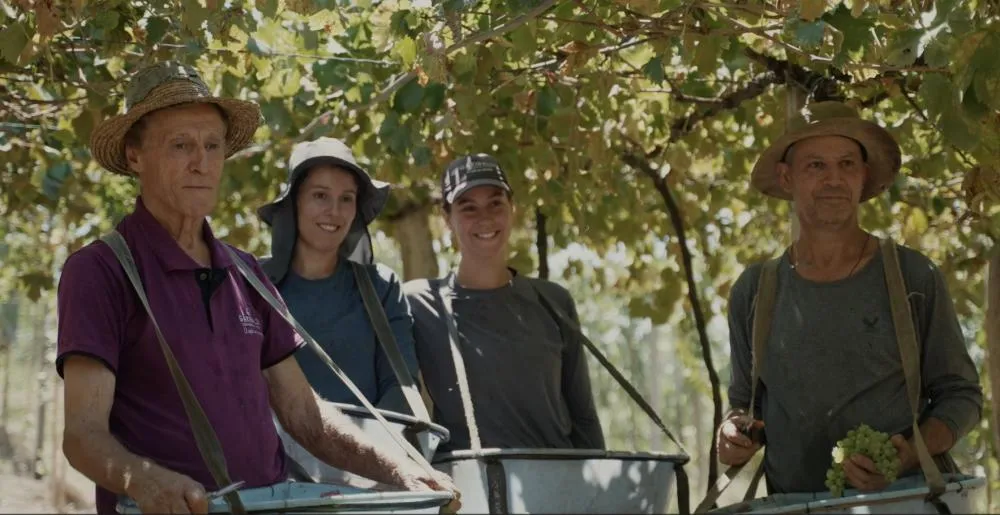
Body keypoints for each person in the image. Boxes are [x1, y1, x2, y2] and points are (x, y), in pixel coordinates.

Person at [56, 61, 456, 515]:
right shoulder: (102, 271)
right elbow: (82, 435)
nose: (201, 163)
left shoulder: (246, 273)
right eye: (180, 145)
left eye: (213, 145)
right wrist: (143, 479)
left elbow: (305, 414)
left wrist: (399, 468)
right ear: (134, 156)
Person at [717, 101, 983, 495]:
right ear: (787, 177)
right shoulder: (754, 291)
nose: (834, 179)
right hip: (794, 506)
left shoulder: (912, 277)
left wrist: (909, 454)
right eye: (816, 166)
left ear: (863, 176)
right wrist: (732, 434)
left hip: (899, 504)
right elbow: (745, 406)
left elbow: (961, 397)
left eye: (846, 164)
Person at [404, 154, 606, 452]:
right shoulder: (420, 303)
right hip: (472, 478)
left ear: (513, 208)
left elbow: (584, 417)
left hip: (559, 475)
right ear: (446, 218)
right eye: (468, 207)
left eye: (495, 203)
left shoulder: (554, 302)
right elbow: (398, 408)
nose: (484, 217)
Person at [256, 136, 419, 414]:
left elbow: (401, 388)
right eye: (320, 195)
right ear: (294, 203)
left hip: (370, 440)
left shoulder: (382, 287)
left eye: (346, 199)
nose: (334, 211)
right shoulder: (251, 286)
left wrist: (363, 441)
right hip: (272, 441)